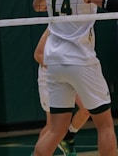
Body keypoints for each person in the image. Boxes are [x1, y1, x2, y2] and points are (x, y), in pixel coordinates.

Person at [31, 0, 118, 156]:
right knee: (105, 124)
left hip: (55, 62)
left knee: (55, 130)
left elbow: (37, 6)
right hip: (80, 59)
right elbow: (114, 4)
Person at [34, 28, 90, 156]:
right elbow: (38, 55)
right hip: (50, 78)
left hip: (69, 76)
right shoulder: (52, 29)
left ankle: (67, 138)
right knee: (52, 126)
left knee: (86, 109)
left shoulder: (78, 29)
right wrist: (58, 67)